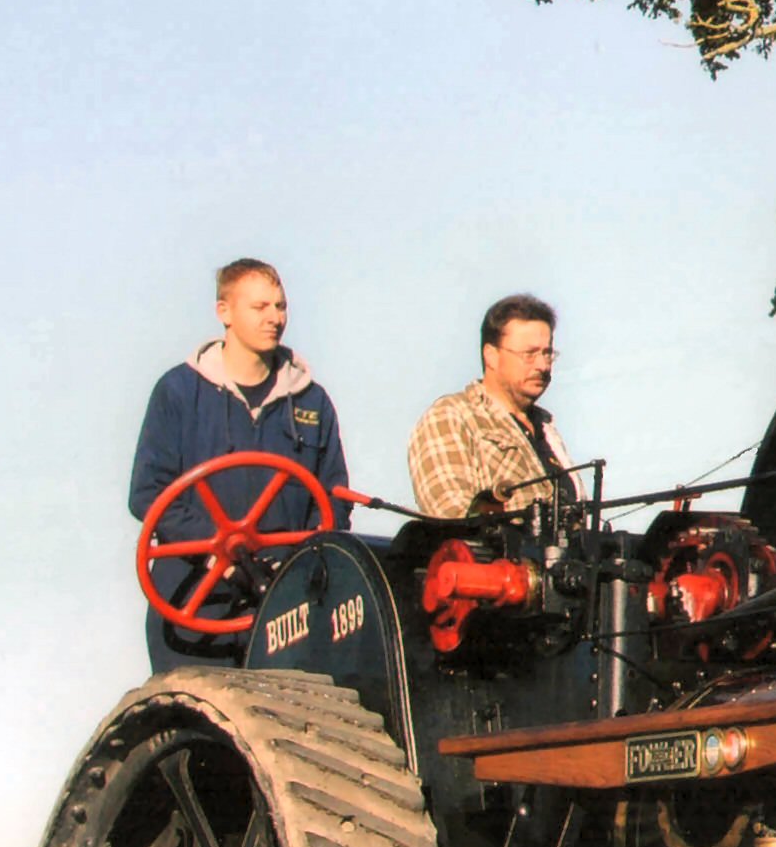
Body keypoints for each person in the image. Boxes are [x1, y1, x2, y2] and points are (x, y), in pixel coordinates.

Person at [128, 257, 351, 671]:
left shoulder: (311, 401)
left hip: (282, 604)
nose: (275, 318)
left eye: (280, 306)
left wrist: (296, 566)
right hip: (196, 598)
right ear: (224, 313)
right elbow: (149, 493)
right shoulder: (178, 392)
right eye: (260, 307)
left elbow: (333, 499)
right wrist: (220, 549)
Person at [406, 294, 577, 519]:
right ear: (491, 356)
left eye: (547, 353)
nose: (542, 365)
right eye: (530, 354)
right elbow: (452, 519)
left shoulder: (546, 430)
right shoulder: (451, 416)